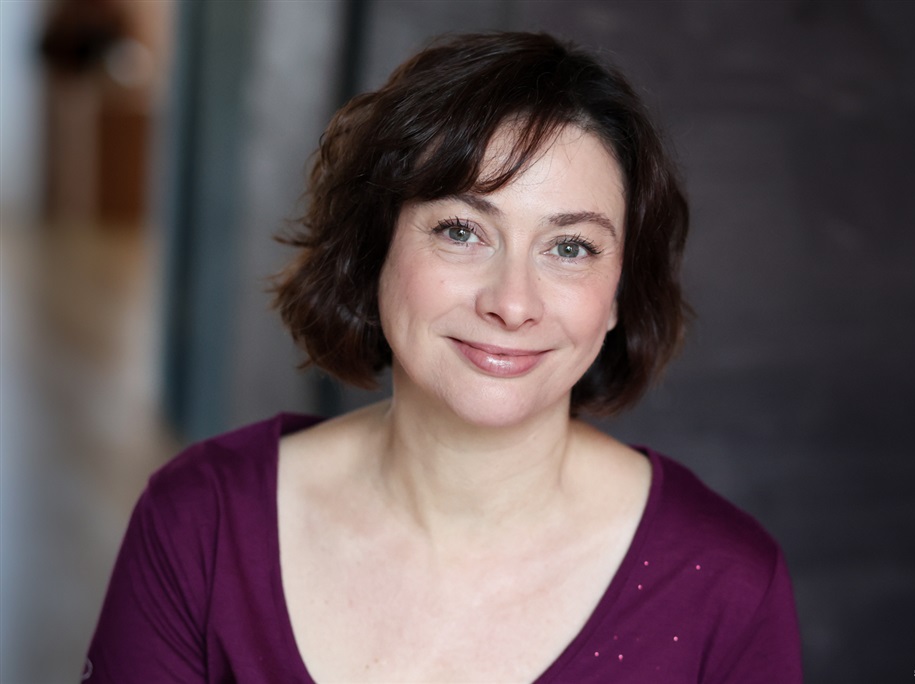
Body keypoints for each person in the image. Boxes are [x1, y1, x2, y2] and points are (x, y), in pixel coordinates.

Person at [85, 31, 802, 683]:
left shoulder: (726, 584)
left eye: (570, 247)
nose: (512, 303)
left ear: (617, 294)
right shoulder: (200, 524)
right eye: (462, 231)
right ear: (377, 249)